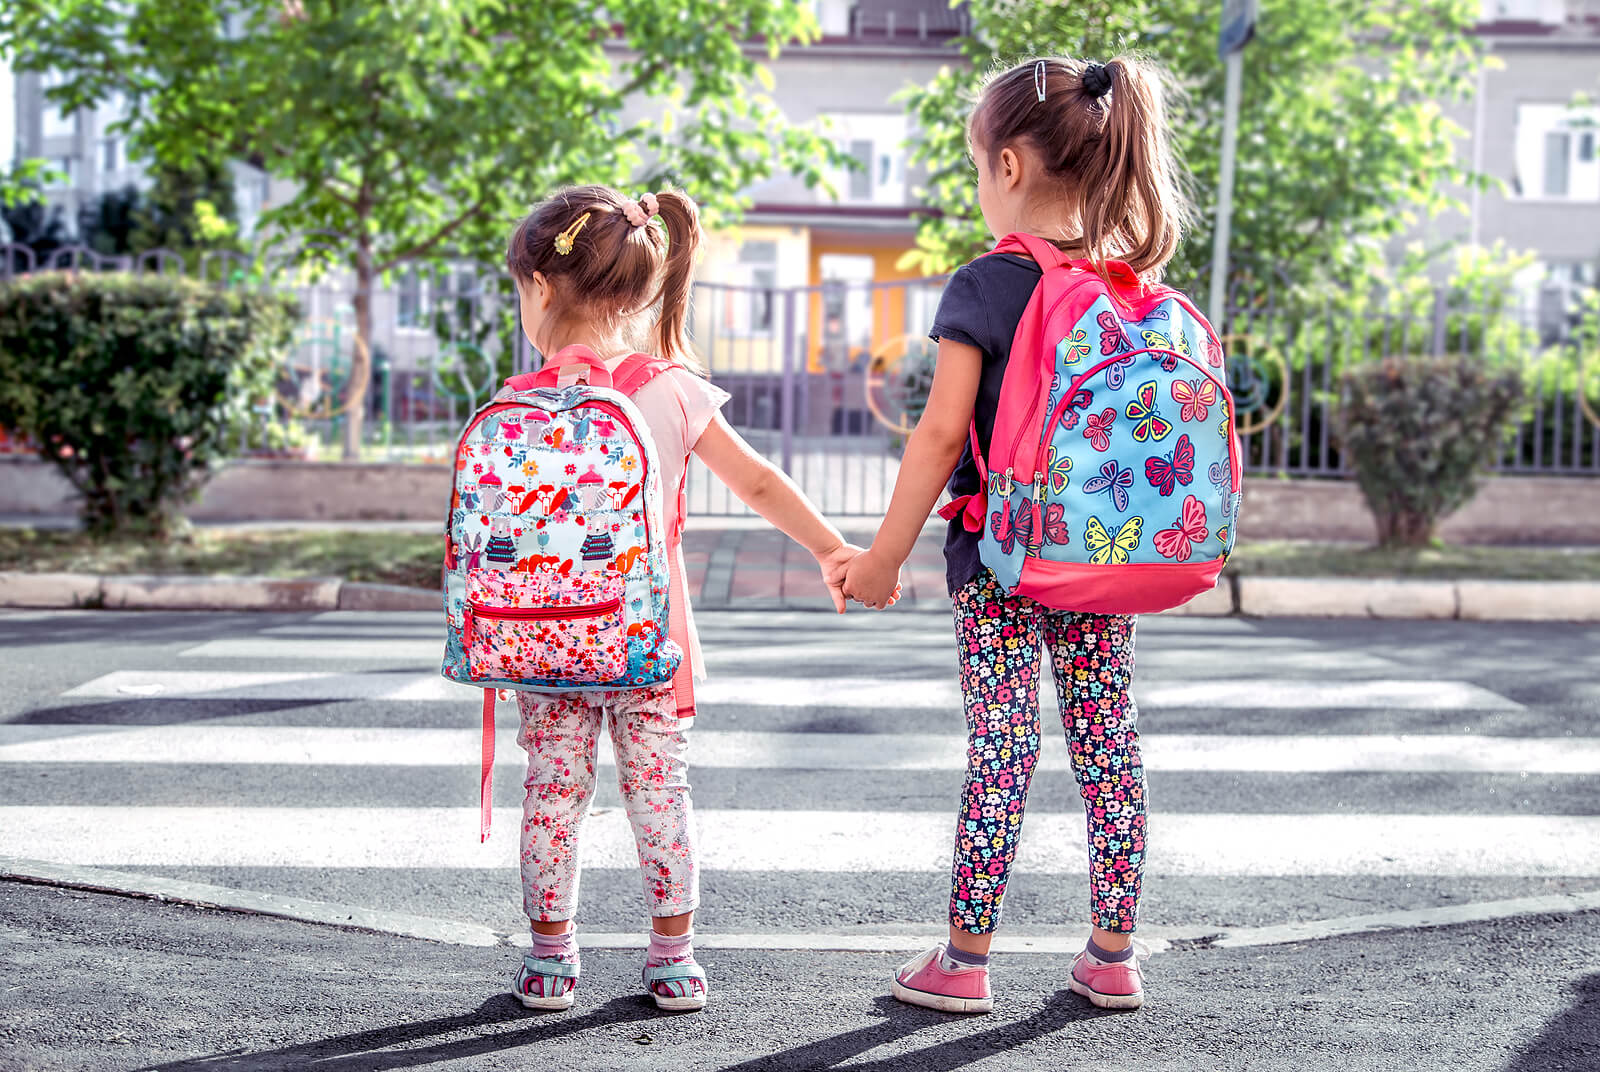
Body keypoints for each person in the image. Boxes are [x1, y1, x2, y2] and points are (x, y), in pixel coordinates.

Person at [843, 55, 1189, 1014]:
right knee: (1107, 736)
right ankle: (1113, 952)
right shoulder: (1130, 284)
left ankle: (964, 958)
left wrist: (879, 561)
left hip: (1001, 557)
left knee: (1002, 744)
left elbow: (941, 435)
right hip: (1104, 559)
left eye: (973, 169)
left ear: (1006, 167)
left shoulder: (987, 287)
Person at [501, 185, 888, 1012]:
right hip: (650, 637)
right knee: (660, 789)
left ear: (538, 288)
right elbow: (755, 478)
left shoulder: (516, 403)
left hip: (546, 639)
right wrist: (830, 549)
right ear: (644, 289)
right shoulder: (673, 390)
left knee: (553, 792)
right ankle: (673, 958)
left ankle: (549, 958)